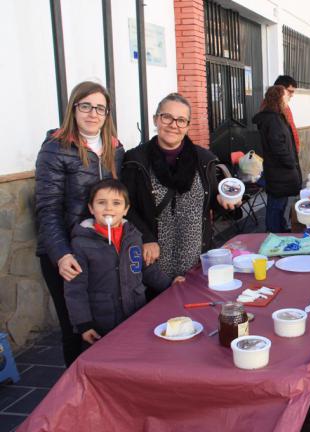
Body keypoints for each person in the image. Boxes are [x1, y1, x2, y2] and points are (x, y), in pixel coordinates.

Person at [35, 81, 124, 367]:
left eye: (100, 108)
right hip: (67, 253)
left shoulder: (115, 148)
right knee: (76, 329)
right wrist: (61, 254)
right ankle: (73, 399)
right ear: (74, 108)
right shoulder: (55, 149)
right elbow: (47, 209)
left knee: (107, 323)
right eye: (85, 106)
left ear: (107, 113)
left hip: (102, 249)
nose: (92, 113)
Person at [121, 93, 236, 279]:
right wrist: (146, 238)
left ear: (188, 126)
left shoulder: (204, 159)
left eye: (181, 120)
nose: (174, 125)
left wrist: (225, 200)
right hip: (153, 266)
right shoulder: (136, 160)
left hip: (196, 263)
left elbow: (212, 202)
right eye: (167, 117)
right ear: (155, 119)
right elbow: (126, 207)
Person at [64, 179, 184, 347]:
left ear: (126, 209)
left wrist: (169, 284)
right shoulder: (81, 243)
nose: (109, 208)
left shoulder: (133, 236)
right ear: (91, 208)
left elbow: (146, 268)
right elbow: (75, 289)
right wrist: (84, 324)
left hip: (136, 313)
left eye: (116, 203)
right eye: (101, 203)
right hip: (102, 321)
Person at [253, 85, 302, 233]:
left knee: (279, 204)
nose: (289, 98)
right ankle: (274, 232)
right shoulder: (273, 119)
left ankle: (279, 229)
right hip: (279, 171)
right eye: (286, 96)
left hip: (279, 171)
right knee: (276, 205)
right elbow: (278, 146)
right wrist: (290, 162)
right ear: (278, 98)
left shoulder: (275, 117)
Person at [274, 75, 300, 153]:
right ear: (280, 90)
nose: (292, 95)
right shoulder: (272, 110)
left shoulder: (285, 107)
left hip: (290, 153)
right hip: (284, 157)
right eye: (290, 91)